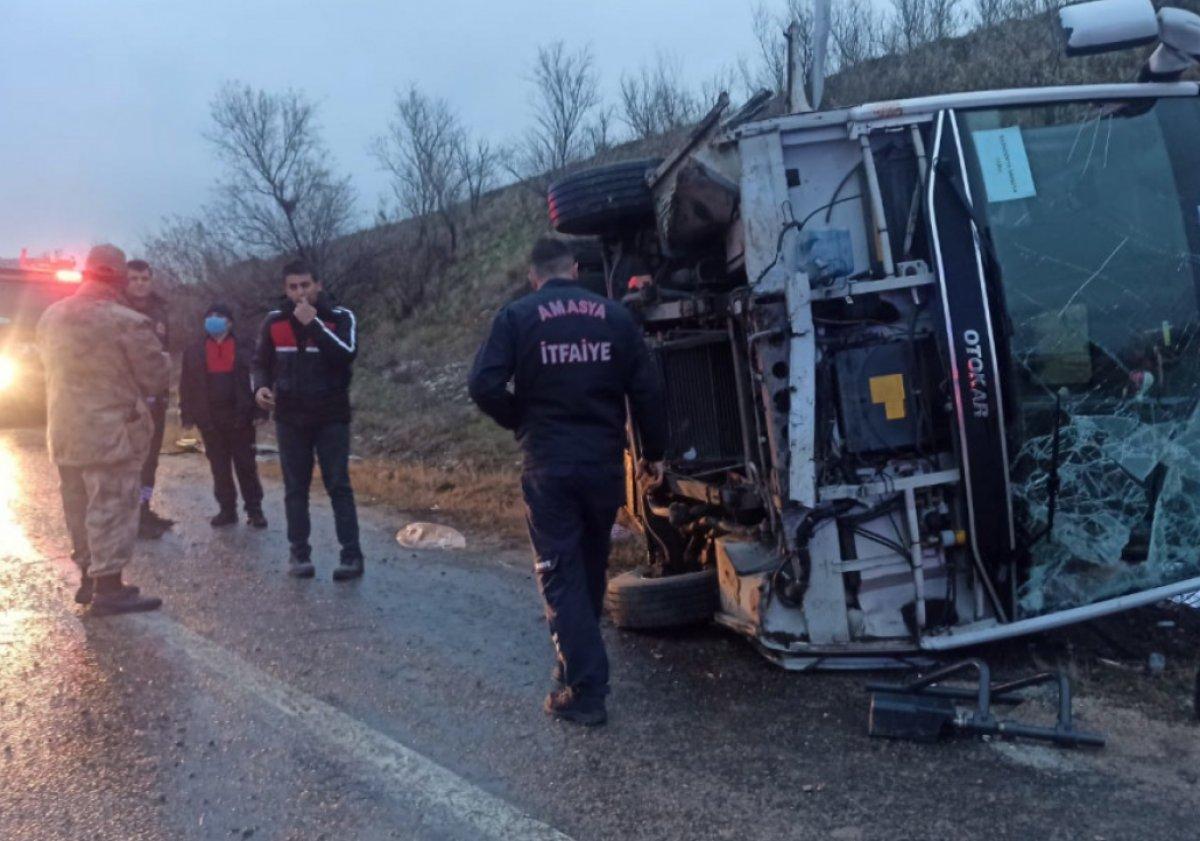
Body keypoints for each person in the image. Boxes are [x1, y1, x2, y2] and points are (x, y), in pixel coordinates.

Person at [468, 236, 667, 727]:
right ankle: (574, 663)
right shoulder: (615, 317)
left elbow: (482, 384)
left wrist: (520, 418)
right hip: (603, 463)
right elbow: (647, 389)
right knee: (590, 564)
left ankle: (585, 690)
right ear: (575, 270)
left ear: (534, 276)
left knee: (559, 571)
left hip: (549, 463)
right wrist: (655, 454)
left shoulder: (518, 316)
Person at [36, 244, 169, 615]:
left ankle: (87, 580)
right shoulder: (126, 321)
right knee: (111, 503)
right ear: (119, 275)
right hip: (112, 433)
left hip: (65, 430)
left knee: (76, 505)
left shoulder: (51, 316)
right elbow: (155, 376)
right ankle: (109, 587)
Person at [252, 260, 363, 580]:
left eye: (305, 285)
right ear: (285, 290)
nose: (300, 292)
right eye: (293, 287)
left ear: (318, 285)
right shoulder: (273, 321)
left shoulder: (342, 317)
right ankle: (299, 554)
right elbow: (260, 362)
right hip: (290, 415)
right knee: (295, 488)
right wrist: (260, 387)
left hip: (331, 413)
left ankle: (352, 556)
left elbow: (346, 355)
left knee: (338, 485)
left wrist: (313, 324)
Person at [179, 303, 267, 528]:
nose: (213, 320)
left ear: (230, 321)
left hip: (241, 416)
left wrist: (260, 410)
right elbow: (186, 385)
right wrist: (187, 415)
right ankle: (227, 510)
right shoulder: (194, 350)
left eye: (219, 316)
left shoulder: (247, 347)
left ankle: (254, 510)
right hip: (209, 418)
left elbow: (260, 380)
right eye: (209, 316)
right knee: (219, 467)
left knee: (246, 465)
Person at [124, 258, 175, 539]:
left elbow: (165, 353)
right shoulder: (118, 310)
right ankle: (129, 517)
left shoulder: (160, 310)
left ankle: (145, 508)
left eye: (144, 279)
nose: (140, 284)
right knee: (131, 460)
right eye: (134, 279)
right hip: (130, 399)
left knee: (151, 458)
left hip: (157, 397)